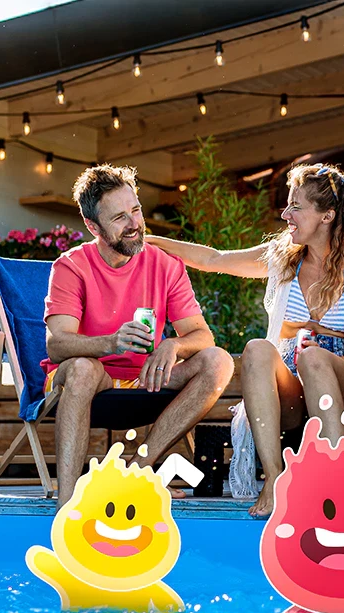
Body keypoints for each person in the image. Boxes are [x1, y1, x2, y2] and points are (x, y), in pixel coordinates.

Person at [149, 164, 344, 517]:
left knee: (313, 359)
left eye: (295, 206)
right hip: (293, 387)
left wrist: (321, 362)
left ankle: (336, 478)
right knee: (259, 348)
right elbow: (214, 259)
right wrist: (148, 240)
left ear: (327, 216)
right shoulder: (282, 259)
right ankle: (276, 480)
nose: (285, 214)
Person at [42, 165, 235, 508]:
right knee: (84, 368)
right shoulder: (71, 266)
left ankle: (136, 473)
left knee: (218, 361)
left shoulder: (165, 265)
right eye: (119, 217)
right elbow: (57, 345)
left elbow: (201, 335)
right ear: (92, 226)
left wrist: (174, 344)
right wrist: (111, 342)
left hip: (145, 378)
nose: (134, 223)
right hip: (89, 379)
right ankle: (67, 504)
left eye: (136, 210)